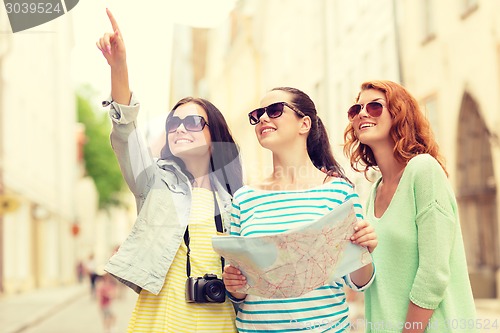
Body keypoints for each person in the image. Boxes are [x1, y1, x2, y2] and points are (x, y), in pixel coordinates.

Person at [96, 9, 243, 333]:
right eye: (173, 122)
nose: (179, 128)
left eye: (192, 122)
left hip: (219, 322)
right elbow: (125, 134)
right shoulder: (154, 183)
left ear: (213, 135)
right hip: (161, 320)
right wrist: (119, 66)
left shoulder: (237, 199)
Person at [222, 87, 377, 332]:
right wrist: (234, 285)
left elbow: (359, 282)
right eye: (257, 114)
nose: (263, 118)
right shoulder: (244, 199)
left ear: (304, 124)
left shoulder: (339, 193)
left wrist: (363, 249)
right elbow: (240, 293)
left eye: (274, 111)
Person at [343, 80, 477, 332]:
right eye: (356, 109)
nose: (362, 113)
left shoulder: (423, 170)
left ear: (399, 114)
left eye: (374, 107)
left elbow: (433, 273)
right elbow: (368, 281)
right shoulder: (373, 192)